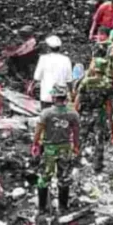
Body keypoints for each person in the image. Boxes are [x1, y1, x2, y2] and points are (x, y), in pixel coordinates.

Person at [32, 82, 80, 213]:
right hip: (65, 148)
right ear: (65, 98)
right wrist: (76, 146)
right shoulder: (73, 113)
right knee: (64, 177)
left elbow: (39, 130)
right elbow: (76, 132)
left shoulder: (46, 113)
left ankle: (42, 208)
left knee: (44, 177)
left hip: (49, 149)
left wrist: (35, 144)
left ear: (53, 98)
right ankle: (63, 207)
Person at [73, 56, 113, 173]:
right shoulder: (107, 84)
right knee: (98, 140)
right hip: (99, 114)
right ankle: (97, 165)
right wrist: (110, 120)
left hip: (85, 113)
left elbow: (78, 99)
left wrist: (75, 114)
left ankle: (75, 159)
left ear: (95, 68)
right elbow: (109, 105)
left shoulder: (86, 81)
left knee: (80, 138)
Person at [33, 36, 73, 109]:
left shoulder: (43, 59)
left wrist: (32, 86)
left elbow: (37, 77)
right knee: (60, 117)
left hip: (46, 95)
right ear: (59, 48)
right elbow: (69, 80)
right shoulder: (66, 60)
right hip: (60, 96)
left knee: (46, 116)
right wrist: (71, 92)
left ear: (48, 47)